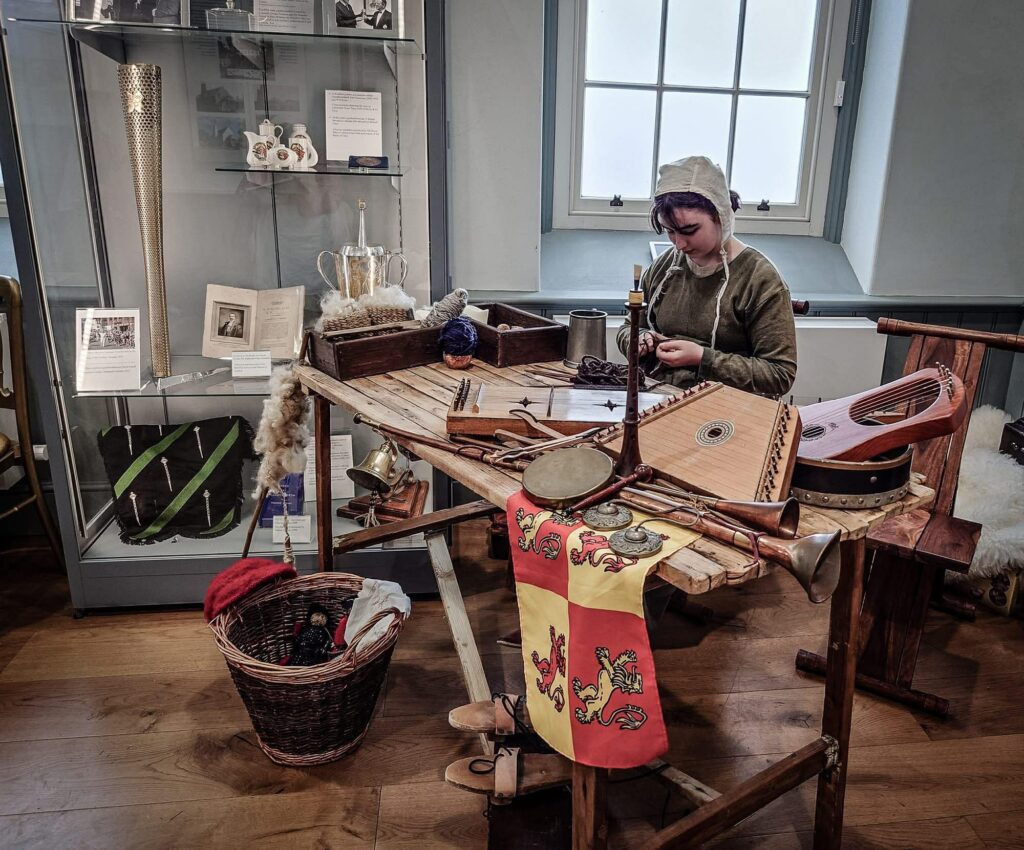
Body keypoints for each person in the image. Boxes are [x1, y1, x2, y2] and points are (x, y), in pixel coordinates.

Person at [616, 156, 796, 398]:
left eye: (689, 230)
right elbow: (628, 326)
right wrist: (639, 339)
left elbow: (779, 374)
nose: (678, 244)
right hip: (659, 399)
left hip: (730, 412)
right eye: (670, 231)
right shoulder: (664, 267)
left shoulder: (760, 280)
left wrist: (702, 358)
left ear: (721, 216)